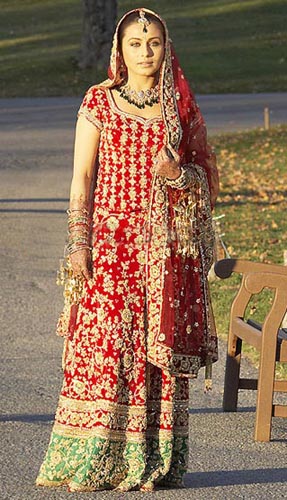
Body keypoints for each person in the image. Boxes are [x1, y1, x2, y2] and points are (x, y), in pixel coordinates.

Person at [36, 7, 219, 493]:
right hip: (111, 247)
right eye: (136, 44)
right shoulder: (99, 101)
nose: (145, 52)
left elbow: (203, 181)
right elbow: (82, 178)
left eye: (154, 43)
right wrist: (80, 243)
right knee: (104, 349)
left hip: (164, 254)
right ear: (120, 49)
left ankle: (149, 462)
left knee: (154, 356)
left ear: (166, 47)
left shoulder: (177, 108)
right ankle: (92, 459)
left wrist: (176, 175)